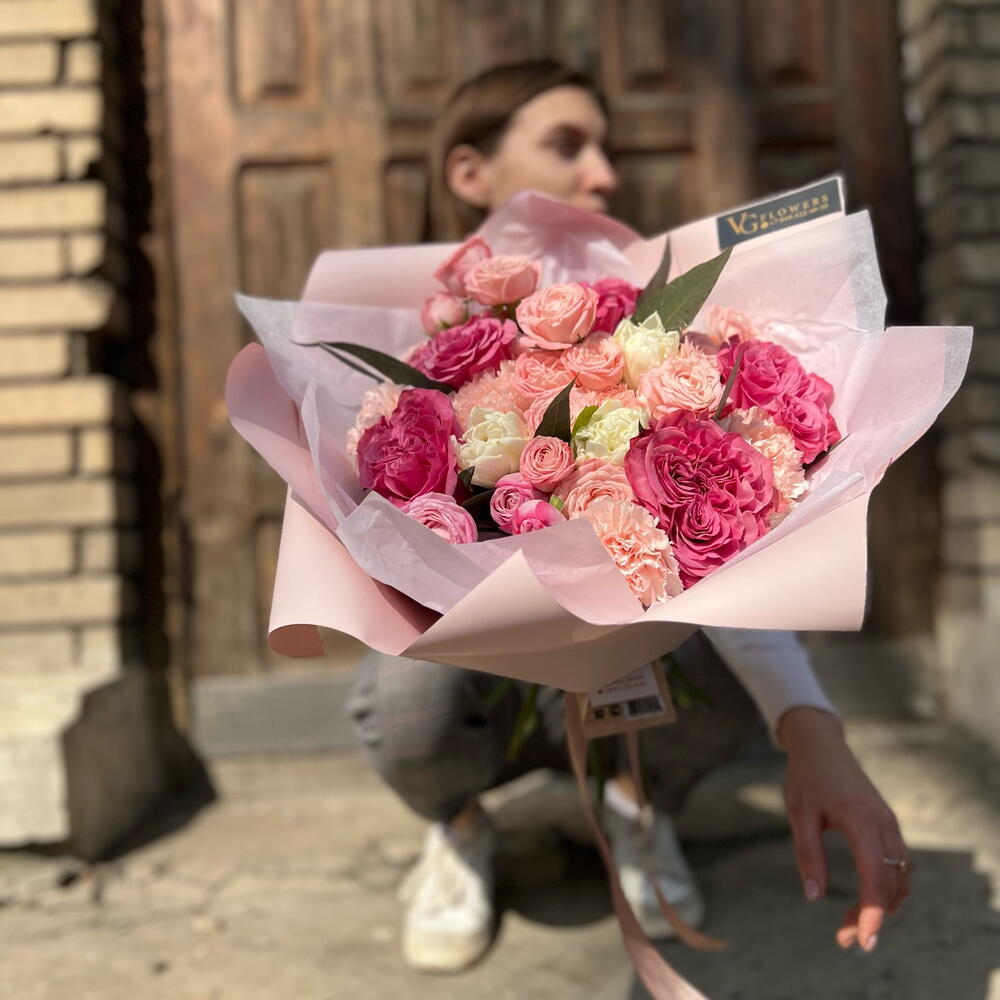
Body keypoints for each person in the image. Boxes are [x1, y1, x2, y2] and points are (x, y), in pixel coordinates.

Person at [348, 60, 912, 974]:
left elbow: (731, 554)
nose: (604, 174)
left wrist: (812, 725)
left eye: (604, 148)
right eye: (567, 145)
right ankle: (458, 826)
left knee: (719, 664)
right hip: (483, 681)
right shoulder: (407, 348)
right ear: (469, 173)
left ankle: (638, 805)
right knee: (406, 698)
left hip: (634, 668)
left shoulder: (649, 334)